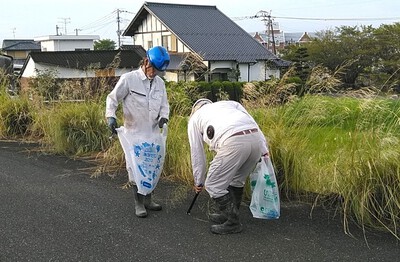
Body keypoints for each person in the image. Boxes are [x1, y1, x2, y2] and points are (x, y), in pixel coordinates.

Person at [105, 46, 170, 218]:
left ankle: (149, 199)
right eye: (153, 69)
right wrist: (110, 116)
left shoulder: (160, 83)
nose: (154, 73)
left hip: (153, 134)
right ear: (146, 61)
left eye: (158, 71)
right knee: (135, 168)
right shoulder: (129, 79)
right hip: (134, 134)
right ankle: (139, 202)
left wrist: (164, 117)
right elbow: (112, 99)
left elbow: (165, 105)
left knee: (151, 167)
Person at [188, 99, 268, 234]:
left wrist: (199, 181)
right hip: (255, 140)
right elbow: (252, 121)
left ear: (194, 110)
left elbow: (197, 153)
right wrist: (264, 148)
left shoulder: (194, 119)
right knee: (237, 180)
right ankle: (229, 215)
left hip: (233, 141)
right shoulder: (230, 104)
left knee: (213, 184)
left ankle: (233, 221)